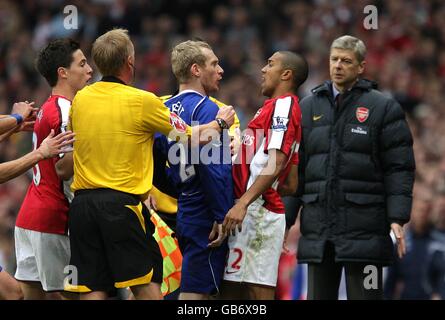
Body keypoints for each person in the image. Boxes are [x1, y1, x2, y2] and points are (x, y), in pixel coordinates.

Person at [62, 29, 234, 300]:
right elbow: (190, 137)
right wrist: (222, 122)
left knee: (93, 289)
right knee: (147, 288)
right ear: (129, 62)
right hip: (120, 207)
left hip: (82, 207)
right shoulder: (142, 101)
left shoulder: (80, 100)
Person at [291, 35, 415, 300]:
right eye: (334, 59)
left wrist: (398, 217)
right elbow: (297, 169)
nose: (338, 65)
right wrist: (284, 220)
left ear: (361, 67)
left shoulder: (383, 108)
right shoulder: (308, 106)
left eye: (346, 61)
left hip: (366, 229)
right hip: (319, 229)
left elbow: (399, 168)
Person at [222, 50, 308, 299]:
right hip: (254, 209)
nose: (263, 69)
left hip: (255, 211)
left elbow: (277, 160)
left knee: (254, 292)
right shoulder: (271, 109)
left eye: (270, 64)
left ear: (286, 74)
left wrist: (246, 202)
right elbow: (291, 183)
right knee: (232, 291)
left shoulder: (284, 105)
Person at [14, 38, 92, 300]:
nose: (89, 69)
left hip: (29, 217)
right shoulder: (66, 110)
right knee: (83, 294)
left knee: (30, 295)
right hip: (53, 219)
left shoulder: (49, 105)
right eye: (82, 64)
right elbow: (62, 169)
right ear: (63, 72)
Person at [156, 40, 234, 300]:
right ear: (196, 70)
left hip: (185, 208)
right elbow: (214, 170)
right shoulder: (210, 111)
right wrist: (222, 214)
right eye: (214, 64)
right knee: (196, 295)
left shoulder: (162, 110)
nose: (220, 70)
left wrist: (179, 189)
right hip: (205, 212)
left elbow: (155, 165)